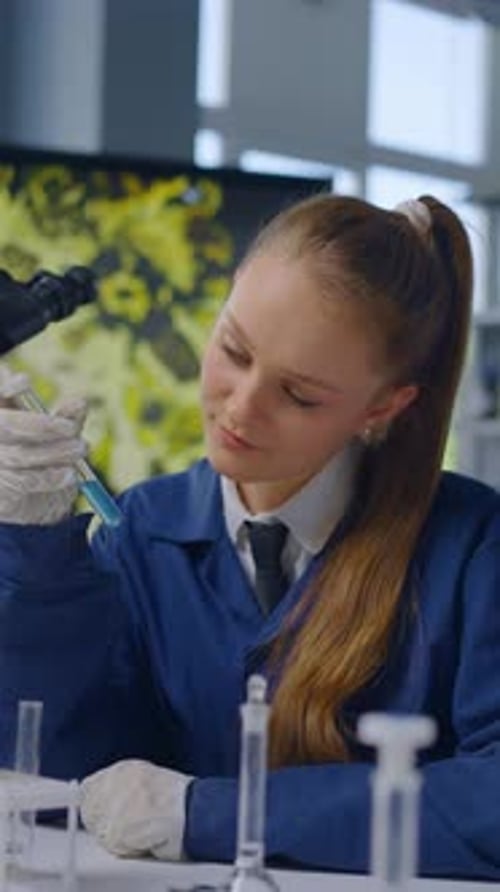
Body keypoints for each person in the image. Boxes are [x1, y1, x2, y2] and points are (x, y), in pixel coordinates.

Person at [0, 193, 499, 879]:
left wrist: (207, 813)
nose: (240, 407)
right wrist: (38, 556)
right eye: (234, 349)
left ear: (383, 407)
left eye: (299, 396)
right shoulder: (142, 529)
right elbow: (64, 772)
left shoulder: (473, 549)